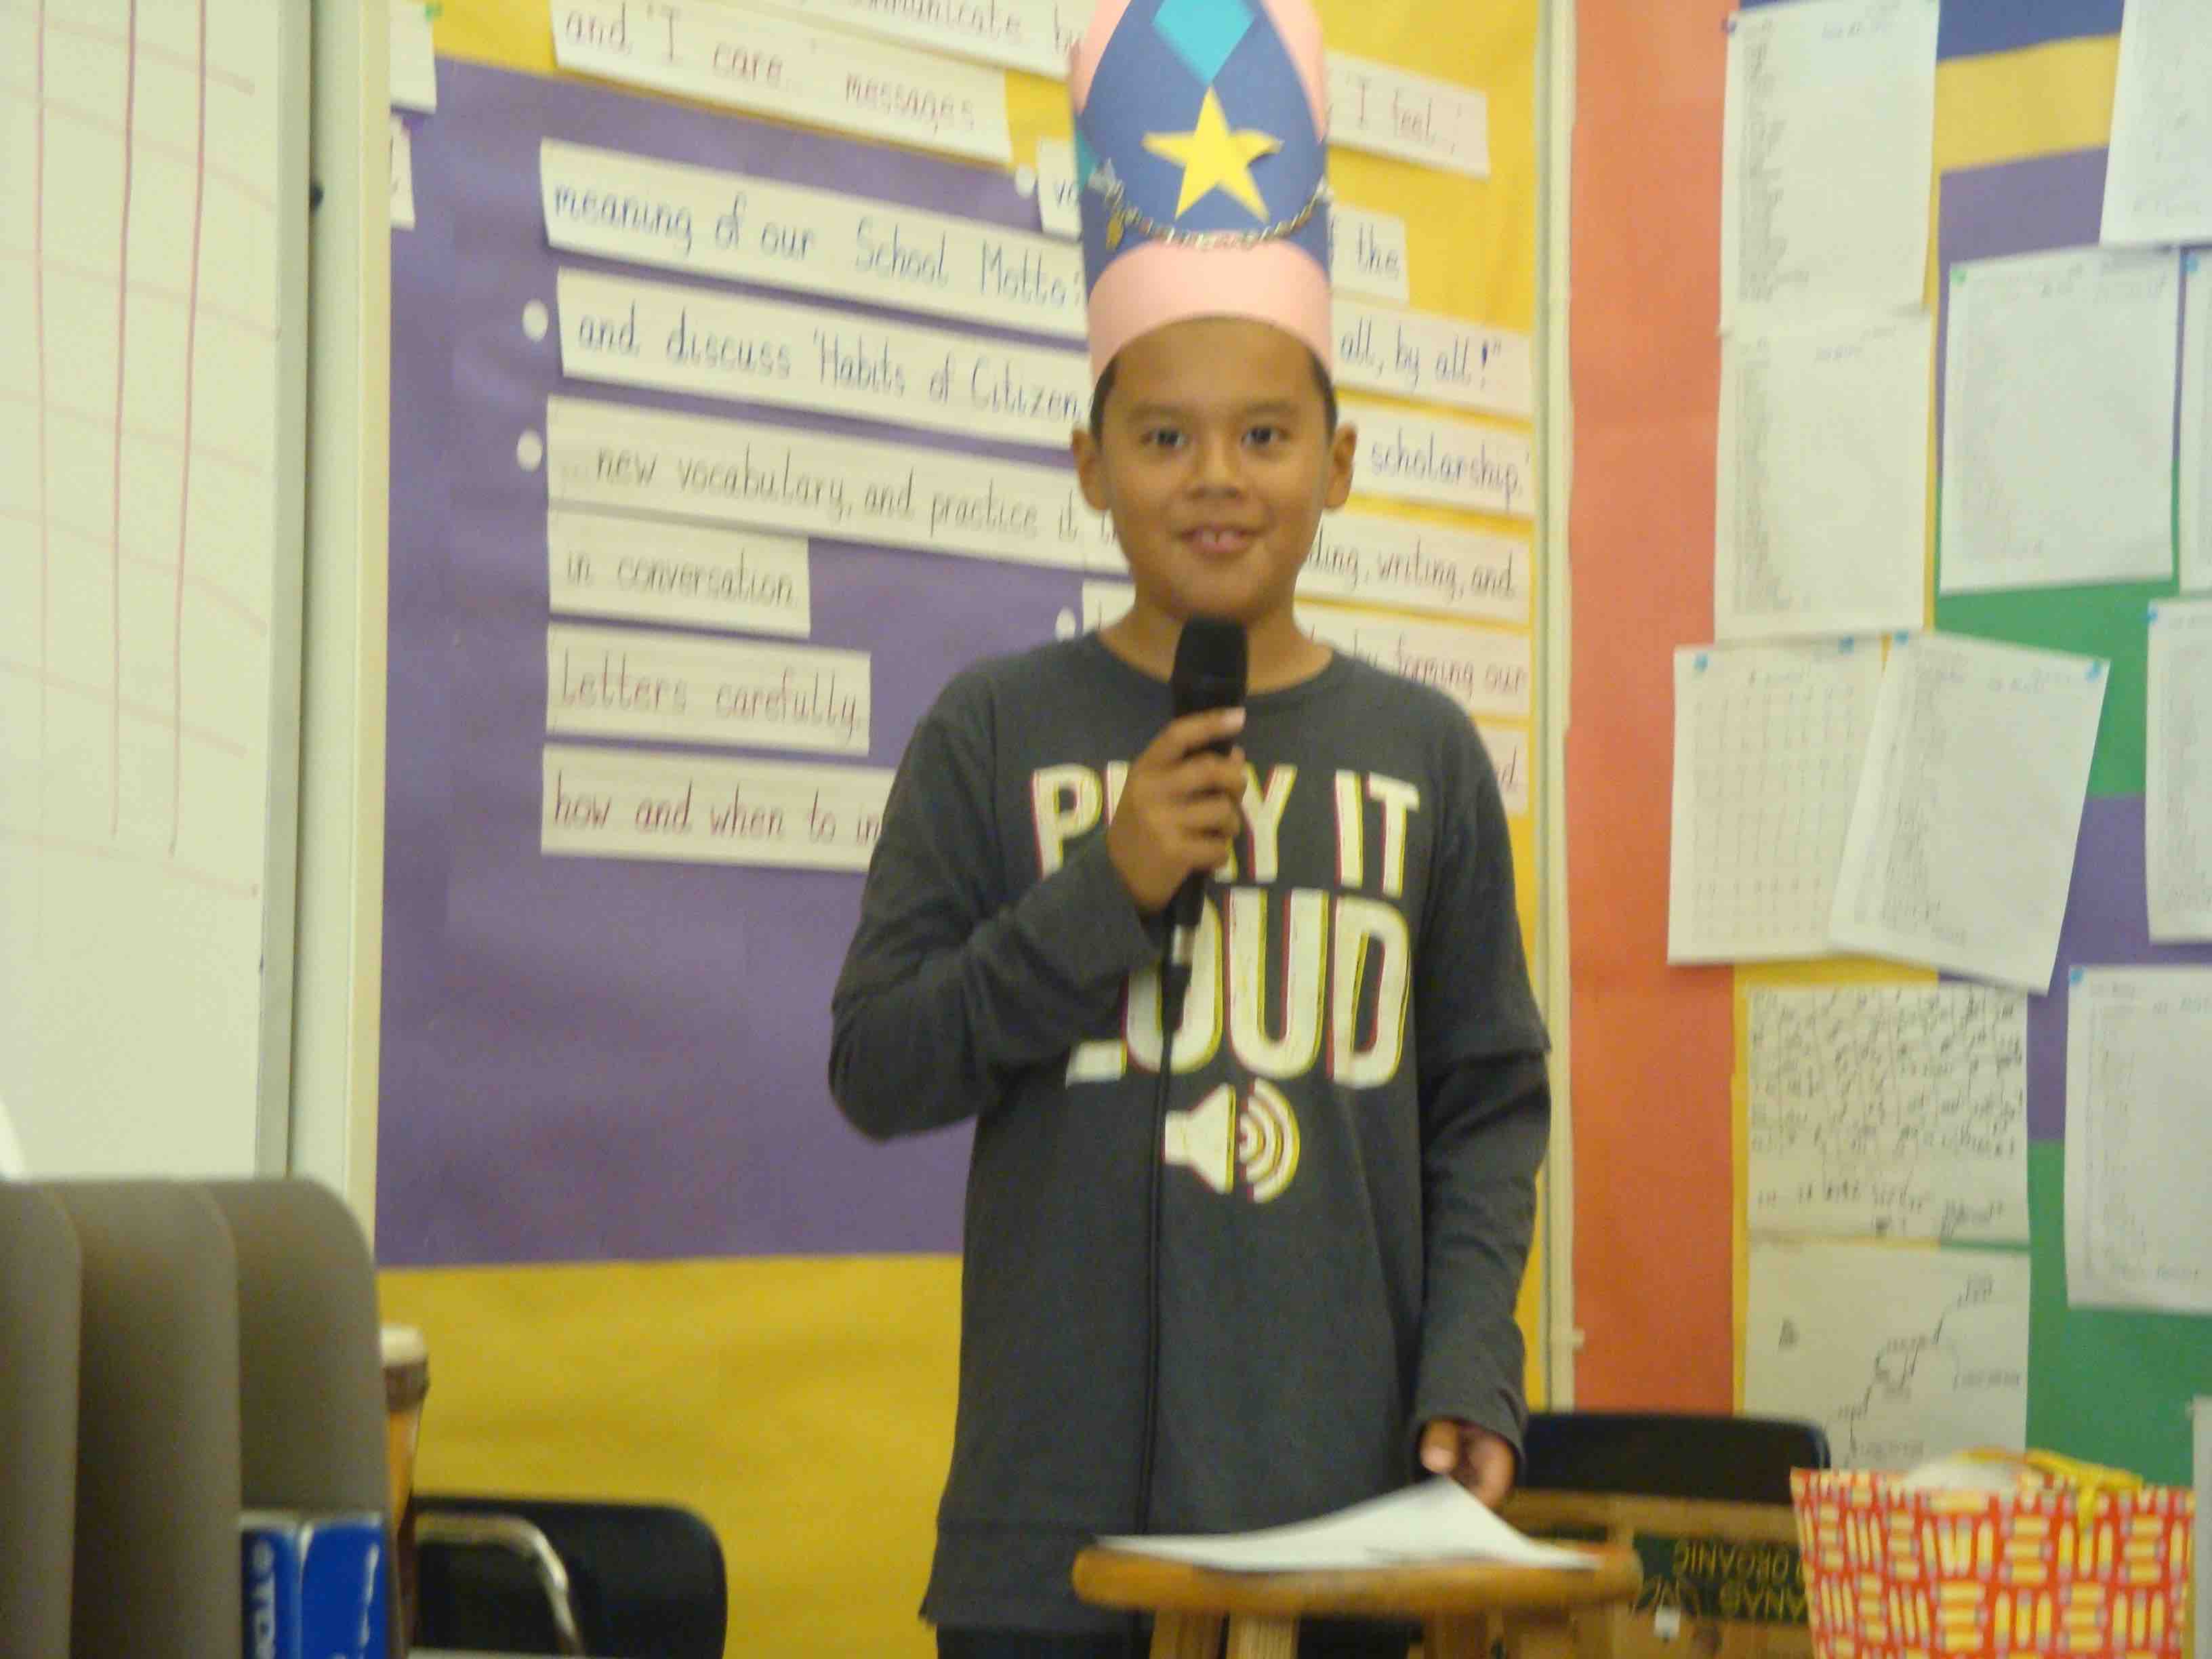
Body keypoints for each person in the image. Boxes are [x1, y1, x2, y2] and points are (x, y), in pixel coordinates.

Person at [829, 2, 1550, 1654]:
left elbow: (1487, 1108)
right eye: (1163, 437)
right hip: (1051, 1551)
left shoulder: (1424, 759)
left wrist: (1471, 1368)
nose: (1216, 476)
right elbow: (878, 1066)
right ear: (1091, 466)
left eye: (1265, 435)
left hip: (1345, 1534)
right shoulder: (992, 732)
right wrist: (1106, 892)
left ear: (1339, 464)